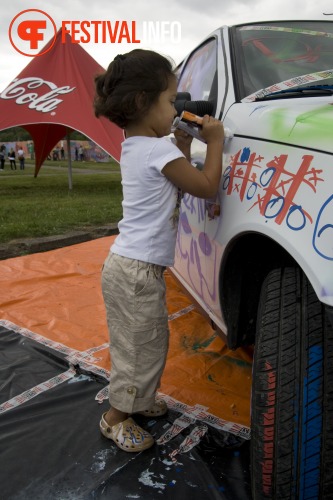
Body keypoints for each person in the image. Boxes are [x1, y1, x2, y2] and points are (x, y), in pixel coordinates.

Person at [94, 49, 224, 453]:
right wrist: (215, 141)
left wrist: (181, 141)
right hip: (136, 272)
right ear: (140, 103)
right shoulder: (159, 150)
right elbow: (203, 185)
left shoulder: (137, 146)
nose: (176, 109)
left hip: (126, 266)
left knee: (141, 342)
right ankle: (116, 418)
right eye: (170, 100)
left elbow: (173, 177)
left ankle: (140, 399)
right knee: (141, 348)